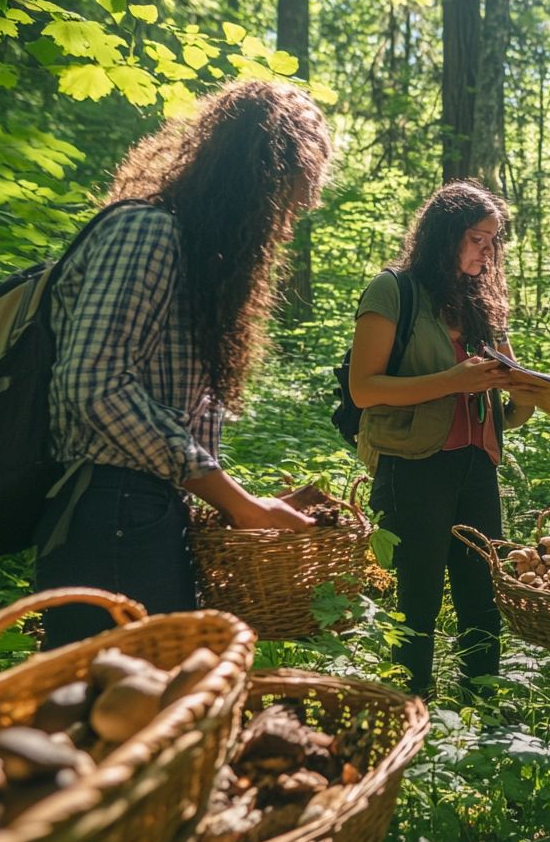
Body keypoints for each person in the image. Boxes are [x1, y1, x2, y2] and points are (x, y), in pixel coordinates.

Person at [34, 80, 334, 648]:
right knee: (115, 720)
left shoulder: (195, 255)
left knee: (151, 718)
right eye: (284, 199)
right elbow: (91, 384)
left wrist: (246, 505)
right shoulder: (147, 230)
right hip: (108, 518)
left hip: (139, 514)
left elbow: (155, 424)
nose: (284, 221)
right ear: (252, 179)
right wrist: (236, 501)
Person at [349, 180, 534, 698]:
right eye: (477, 238)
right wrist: (453, 382)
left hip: (477, 466)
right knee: (419, 596)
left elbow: (499, 394)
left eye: (493, 241)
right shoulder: (394, 290)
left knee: (482, 594)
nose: (487, 251)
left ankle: (484, 707)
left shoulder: (483, 300)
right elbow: (364, 389)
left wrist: (524, 392)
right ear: (444, 234)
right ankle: (410, 708)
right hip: (413, 465)